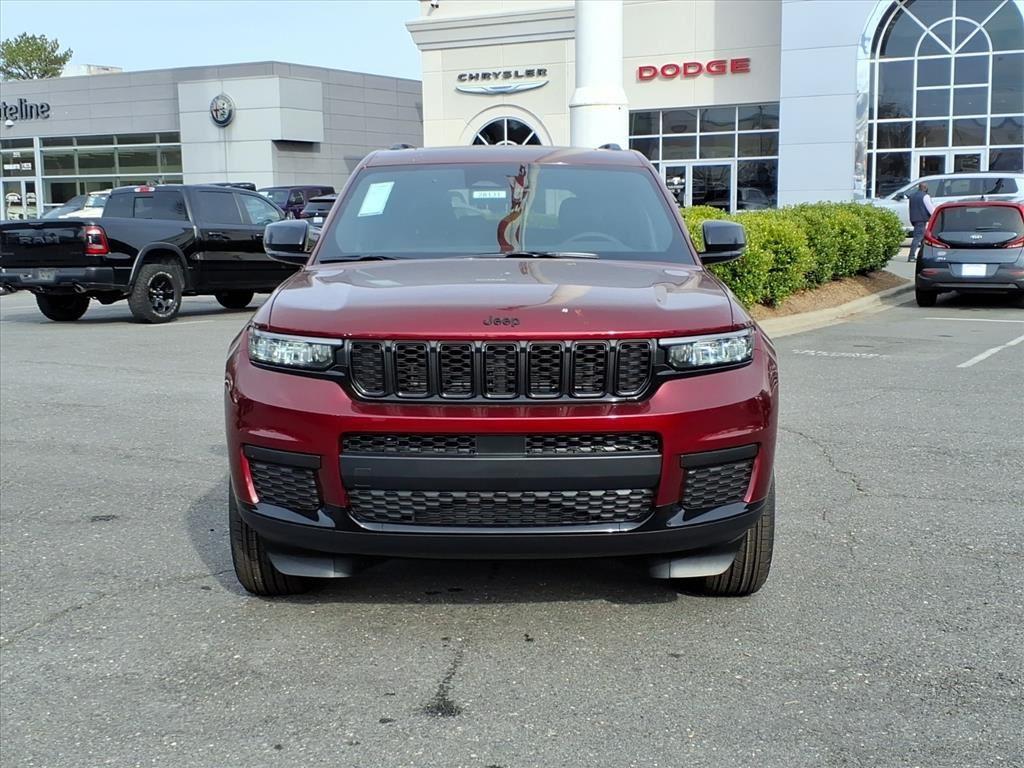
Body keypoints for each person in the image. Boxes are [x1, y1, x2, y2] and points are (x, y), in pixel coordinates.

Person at [907, 181, 935, 262]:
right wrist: (935, 215)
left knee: (923, 238)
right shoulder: (925, 196)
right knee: (918, 238)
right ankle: (911, 256)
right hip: (922, 219)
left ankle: (922, 255)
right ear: (925, 188)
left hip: (914, 219)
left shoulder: (912, 196)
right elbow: (930, 209)